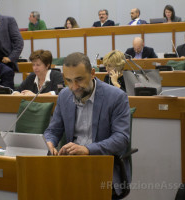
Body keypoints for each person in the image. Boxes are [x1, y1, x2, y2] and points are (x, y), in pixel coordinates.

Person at [44, 52, 130, 198]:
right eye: (69, 80)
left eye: (79, 80)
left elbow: (121, 139)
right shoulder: (65, 96)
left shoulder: (116, 97)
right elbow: (53, 130)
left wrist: (87, 149)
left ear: (92, 73)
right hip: (71, 166)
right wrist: (50, 143)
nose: (74, 87)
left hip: (102, 165)